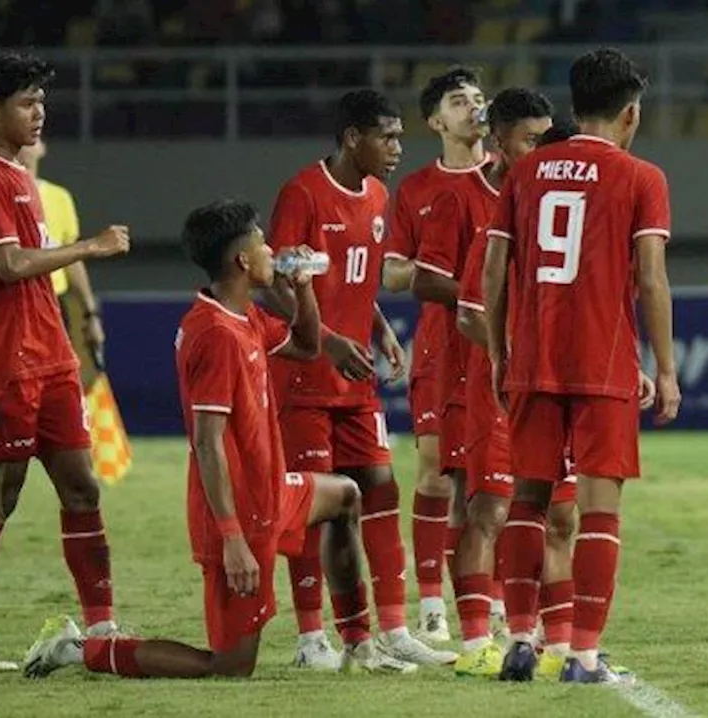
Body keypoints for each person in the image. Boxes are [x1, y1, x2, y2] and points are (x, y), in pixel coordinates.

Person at [23, 200, 373, 679]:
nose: (273, 251)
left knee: (346, 496)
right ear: (243, 261)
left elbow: (310, 347)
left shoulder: (243, 316)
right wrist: (232, 539)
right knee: (230, 667)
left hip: (273, 492)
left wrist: (304, 291)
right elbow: (207, 443)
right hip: (238, 515)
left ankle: (360, 645)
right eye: (262, 243)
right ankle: (75, 650)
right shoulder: (214, 334)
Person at [483, 47, 681, 684]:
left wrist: (497, 350)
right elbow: (651, 279)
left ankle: (518, 639)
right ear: (631, 113)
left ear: (574, 107)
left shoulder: (527, 171)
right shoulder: (641, 177)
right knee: (598, 511)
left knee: (527, 500)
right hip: (601, 361)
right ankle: (583, 655)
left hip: (534, 357)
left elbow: (494, 273)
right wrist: (667, 367)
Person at [0, 52, 131, 671]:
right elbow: (10, 264)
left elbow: (32, 261)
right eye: (27, 102)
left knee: (82, 485)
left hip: (50, 357)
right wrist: (92, 247)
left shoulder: (22, 173)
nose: (39, 112)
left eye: (42, 101)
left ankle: (103, 629)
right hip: (2, 362)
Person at [267, 89, 456, 670]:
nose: (398, 148)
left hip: (356, 375)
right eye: (388, 136)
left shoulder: (377, 195)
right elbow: (279, 285)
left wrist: (378, 328)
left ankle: (394, 631)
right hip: (305, 375)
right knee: (313, 502)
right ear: (353, 137)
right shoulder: (302, 194)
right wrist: (327, 340)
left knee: (379, 487)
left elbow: (357, 279)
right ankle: (309, 639)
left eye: (400, 136)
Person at [381, 66, 494, 643]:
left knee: (489, 481)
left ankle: (489, 597)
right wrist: (428, 266)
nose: (474, 107)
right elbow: (396, 272)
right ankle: (430, 603)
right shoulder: (419, 189)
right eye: (459, 100)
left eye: (479, 98)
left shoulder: (507, 179)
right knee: (434, 475)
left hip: (492, 344)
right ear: (436, 120)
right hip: (439, 344)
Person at [447, 86, 556, 677]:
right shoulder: (496, 208)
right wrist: (507, 355)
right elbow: (467, 308)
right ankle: (473, 641)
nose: (538, 150)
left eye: (544, 138)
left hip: (545, 387)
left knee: (552, 513)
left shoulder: (548, 200)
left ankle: (537, 632)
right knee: (489, 507)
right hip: (498, 386)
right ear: (499, 142)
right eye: (529, 140)